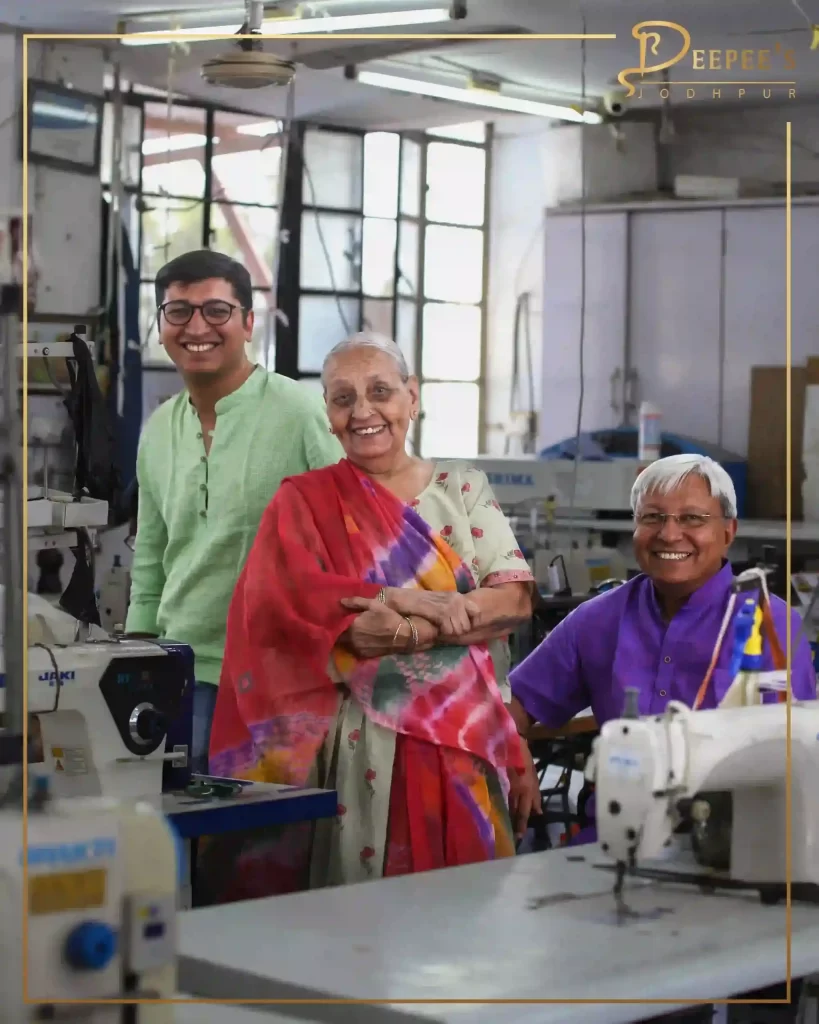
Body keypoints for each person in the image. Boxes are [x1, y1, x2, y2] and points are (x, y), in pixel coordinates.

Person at [200, 332, 541, 902]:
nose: (363, 412)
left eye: (380, 391)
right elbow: (293, 613)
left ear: (412, 397)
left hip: (467, 733)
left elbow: (514, 600)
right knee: (361, 906)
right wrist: (411, 603)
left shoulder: (463, 487)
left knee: (467, 912)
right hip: (360, 743)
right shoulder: (304, 501)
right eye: (343, 398)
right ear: (328, 414)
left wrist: (413, 623)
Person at [508, 453, 817, 842]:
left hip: (733, 843)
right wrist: (513, 747)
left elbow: (795, 756)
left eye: (692, 519)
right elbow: (513, 705)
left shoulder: (768, 625)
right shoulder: (598, 620)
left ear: (729, 531)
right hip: (613, 837)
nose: (669, 534)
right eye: (653, 517)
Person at [124, 250, 343, 773]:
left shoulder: (299, 413)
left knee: (262, 822)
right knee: (172, 815)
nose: (197, 327)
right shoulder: (158, 429)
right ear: (161, 327)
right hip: (178, 670)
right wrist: (135, 659)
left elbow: (351, 537)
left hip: (276, 679)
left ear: (247, 323)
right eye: (179, 311)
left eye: (217, 311)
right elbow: (152, 556)